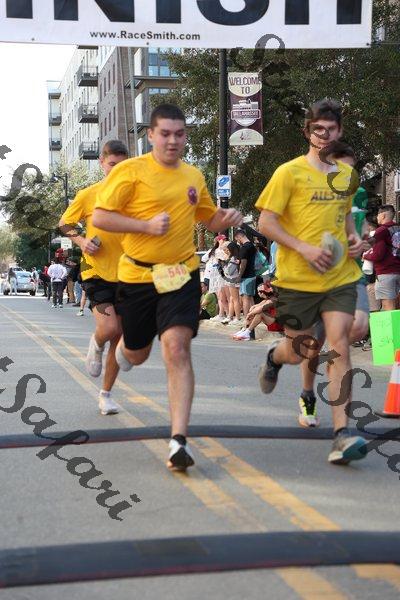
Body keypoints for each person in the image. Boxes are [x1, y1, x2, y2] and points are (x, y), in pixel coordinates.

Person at [92, 103, 243, 471]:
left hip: (180, 273)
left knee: (176, 348)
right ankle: (125, 348)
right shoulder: (130, 172)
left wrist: (225, 218)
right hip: (138, 277)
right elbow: (100, 217)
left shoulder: (193, 175)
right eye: (165, 134)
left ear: (186, 136)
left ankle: (178, 441)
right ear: (151, 135)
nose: (172, 141)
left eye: (179, 134)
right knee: (137, 355)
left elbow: (207, 218)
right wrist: (144, 226)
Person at [256, 98, 368, 465]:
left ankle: (341, 435)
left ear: (339, 132)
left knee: (339, 347)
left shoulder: (347, 176)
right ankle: (274, 357)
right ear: (308, 132)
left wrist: (355, 240)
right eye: (318, 129)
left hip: (339, 278)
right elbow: (265, 223)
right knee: (301, 352)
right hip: (297, 280)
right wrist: (303, 247)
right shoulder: (288, 173)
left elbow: (346, 220)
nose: (324, 135)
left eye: (331, 130)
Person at [296, 142, 370, 427]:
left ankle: (335, 356)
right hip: (317, 277)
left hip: (351, 275)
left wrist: (362, 240)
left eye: (352, 168)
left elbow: (360, 227)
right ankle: (307, 394)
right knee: (312, 346)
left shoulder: (358, 193)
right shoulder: (311, 193)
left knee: (358, 326)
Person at [59, 140, 129, 416]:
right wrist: (81, 241)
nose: (117, 170)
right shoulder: (88, 194)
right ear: (101, 163)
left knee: (119, 336)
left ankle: (106, 395)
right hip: (95, 270)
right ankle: (96, 343)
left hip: (128, 272)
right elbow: (65, 222)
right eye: (112, 164)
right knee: (109, 328)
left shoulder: (137, 196)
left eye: (122, 165)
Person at [362, 204, 400, 311]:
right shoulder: (398, 228)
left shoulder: (381, 231)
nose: (377, 218)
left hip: (386, 273)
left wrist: (365, 256)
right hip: (398, 271)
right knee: (397, 305)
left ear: (383, 215)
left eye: (378, 215)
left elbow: (377, 254)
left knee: (388, 306)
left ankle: (393, 324)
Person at [234, 228, 257, 317]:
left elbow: (244, 262)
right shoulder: (252, 246)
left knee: (245, 297)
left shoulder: (244, 247)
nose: (238, 242)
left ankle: (247, 317)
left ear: (239, 237)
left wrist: (240, 275)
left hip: (246, 275)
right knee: (250, 297)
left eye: (237, 239)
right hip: (252, 274)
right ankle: (253, 316)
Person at [221, 241, 242, 324]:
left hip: (233, 280)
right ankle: (230, 316)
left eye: (228, 250)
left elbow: (229, 271)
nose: (227, 251)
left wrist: (224, 267)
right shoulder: (237, 257)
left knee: (235, 300)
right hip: (235, 280)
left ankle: (237, 318)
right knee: (233, 299)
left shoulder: (233, 258)